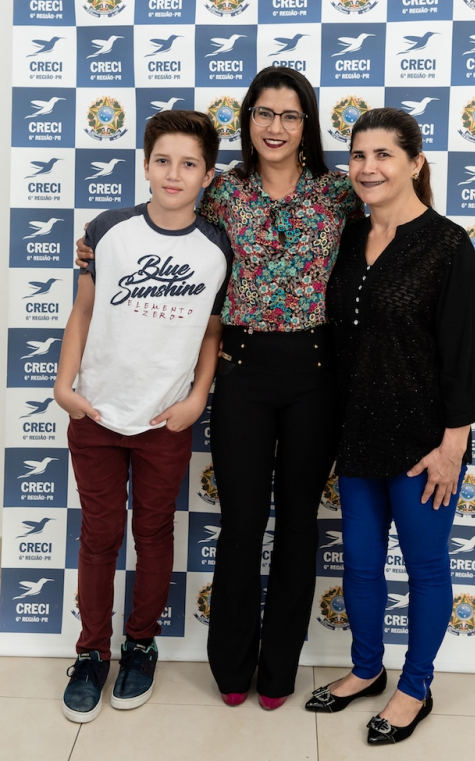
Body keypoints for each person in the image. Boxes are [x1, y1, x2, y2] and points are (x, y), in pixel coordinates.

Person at [78, 67, 362, 709]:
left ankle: (280, 670)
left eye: (290, 115)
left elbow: (393, 218)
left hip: (317, 373)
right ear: (248, 119)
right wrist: (93, 244)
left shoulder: (338, 190)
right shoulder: (222, 191)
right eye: (264, 112)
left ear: (307, 124)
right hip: (241, 371)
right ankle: (232, 669)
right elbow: (161, 221)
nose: (276, 127)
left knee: (298, 522)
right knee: (242, 520)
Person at [305, 107, 475, 744]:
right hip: (357, 434)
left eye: (384, 154)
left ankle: (415, 687)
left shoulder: (448, 244)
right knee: (359, 563)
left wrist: (452, 447)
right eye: (358, 155)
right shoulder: (347, 236)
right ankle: (366, 669)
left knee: (426, 565)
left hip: (423, 443)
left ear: (415, 163)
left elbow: (465, 356)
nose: (368, 167)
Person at [55, 110, 232, 723]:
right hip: (96, 413)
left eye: (188, 164)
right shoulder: (108, 230)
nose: (173, 174)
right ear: (146, 166)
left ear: (208, 175)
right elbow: (83, 311)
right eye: (163, 161)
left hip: (164, 422)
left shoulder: (217, 246)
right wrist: (64, 386)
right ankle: (90, 654)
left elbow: (212, 333)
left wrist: (197, 398)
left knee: (153, 534)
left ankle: (140, 646)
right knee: (99, 535)